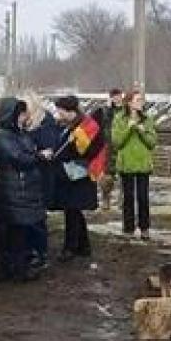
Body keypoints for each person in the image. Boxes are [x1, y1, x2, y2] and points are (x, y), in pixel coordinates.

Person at [0, 97, 48, 281]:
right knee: (14, 233)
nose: (25, 116)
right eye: (21, 113)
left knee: (22, 233)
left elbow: (28, 151)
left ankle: (21, 266)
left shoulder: (21, 134)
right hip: (14, 190)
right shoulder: (1, 136)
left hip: (25, 190)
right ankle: (14, 269)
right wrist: (39, 156)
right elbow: (20, 159)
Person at [48, 95, 106, 260]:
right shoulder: (70, 126)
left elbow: (88, 151)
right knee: (73, 211)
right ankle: (83, 246)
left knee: (72, 211)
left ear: (68, 111)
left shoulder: (84, 128)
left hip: (76, 174)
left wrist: (75, 143)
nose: (57, 114)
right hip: (70, 175)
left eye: (60, 111)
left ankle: (71, 247)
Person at [110, 89, 157, 239]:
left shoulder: (147, 119)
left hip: (143, 164)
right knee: (128, 198)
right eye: (137, 100)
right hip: (126, 164)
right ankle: (128, 229)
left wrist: (142, 131)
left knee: (143, 198)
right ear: (129, 103)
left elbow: (152, 143)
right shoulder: (119, 118)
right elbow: (117, 142)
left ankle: (145, 228)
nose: (141, 103)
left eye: (142, 100)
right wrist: (129, 128)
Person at [21, 91, 60, 270]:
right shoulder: (28, 125)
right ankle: (32, 250)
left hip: (42, 175)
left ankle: (41, 253)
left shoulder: (46, 125)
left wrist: (35, 153)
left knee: (38, 215)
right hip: (31, 175)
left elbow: (49, 151)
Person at [92, 88, 123, 211]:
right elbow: (95, 125)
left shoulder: (125, 111)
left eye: (118, 96)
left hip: (121, 145)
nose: (117, 99)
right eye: (114, 97)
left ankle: (123, 201)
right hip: (108, 147)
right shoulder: (103, 111)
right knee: (107, 177)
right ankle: (106, 198)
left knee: (124, 176)